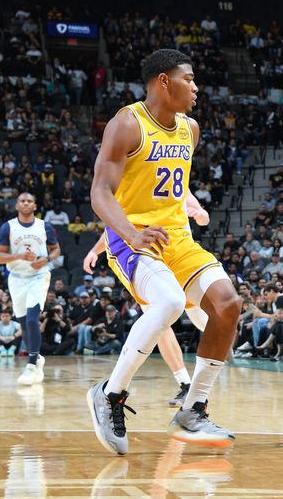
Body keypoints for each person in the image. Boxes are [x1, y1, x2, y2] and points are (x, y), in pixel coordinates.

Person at [87, 49, 242, 455]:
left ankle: (193, 409)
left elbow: (168, 181)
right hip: (132, 240)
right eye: (188, 79)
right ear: (163, 82)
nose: (195, 87)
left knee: (228, 305)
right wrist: (130, 234)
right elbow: (100, 193)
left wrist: (190, 204)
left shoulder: (190, 129)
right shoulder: (127, 124)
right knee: (171, 301)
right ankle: (110, 393)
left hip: (178, 239)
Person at [83, 189, 211, 406]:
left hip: (181, 258)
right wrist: (96, 251)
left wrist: (199, 215)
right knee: (159, 320)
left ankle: (218, 358)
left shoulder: (175, 172)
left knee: (203, 321)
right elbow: (118, 224)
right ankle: (185, 384)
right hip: (149, 259)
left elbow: (203, 215)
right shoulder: (136, 184)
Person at [0, 192, 61, 386]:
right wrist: (20, 256)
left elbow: (56, 250)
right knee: (23, 323)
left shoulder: (44, 226)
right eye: (22, 201)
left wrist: (46, 260)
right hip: (17, 279)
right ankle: (37, 357)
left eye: (29, 201)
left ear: (35, 205)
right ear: (17, 206)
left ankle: (32, 364)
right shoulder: (8, 227)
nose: (25, 203)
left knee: (32, 318)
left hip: (38, 277)